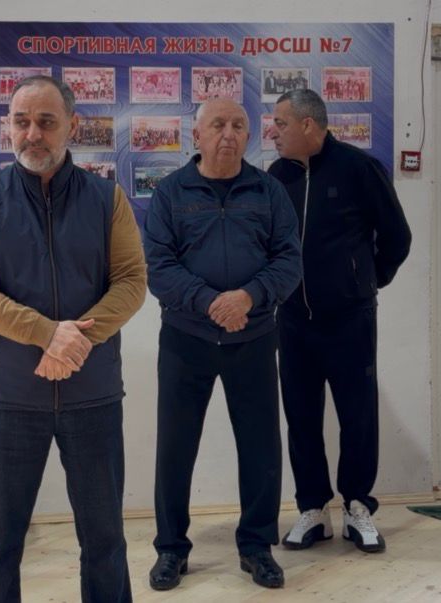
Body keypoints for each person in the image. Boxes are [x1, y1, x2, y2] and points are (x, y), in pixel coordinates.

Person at [0, 75, 147, 602]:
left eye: (46, 122)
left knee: (105, 541)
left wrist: (74, 342)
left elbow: (132, 282)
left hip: (92, 393)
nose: (32, 134)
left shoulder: (107, 199)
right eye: (21, 121)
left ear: (72, 126)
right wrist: (46, 334)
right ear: (8, 126)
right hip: (9, 395)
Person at [143, 98, 301, 591]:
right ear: (197, 136)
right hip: (186, 338)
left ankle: (256, 546)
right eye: (218, 124)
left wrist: (249, 297)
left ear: (248, 136)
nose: (228, 133)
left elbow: (289, 260)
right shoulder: (170, 192)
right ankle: (171, 549)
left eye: (238, 125)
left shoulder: (269, 192)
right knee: (175, 448)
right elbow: (159, 267)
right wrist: (210, 302)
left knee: (260, 447)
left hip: (253, 337)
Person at [267, 89, 412, 554]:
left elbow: (397, 236)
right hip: (293, 320)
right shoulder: (277, 176)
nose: (274, 132)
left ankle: (357, 506)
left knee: (358, 415)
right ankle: (313, 508)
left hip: (350, 319)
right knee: (301, 417)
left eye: (281, 123)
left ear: (308, 125)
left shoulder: (358, 168)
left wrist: (365, 281)